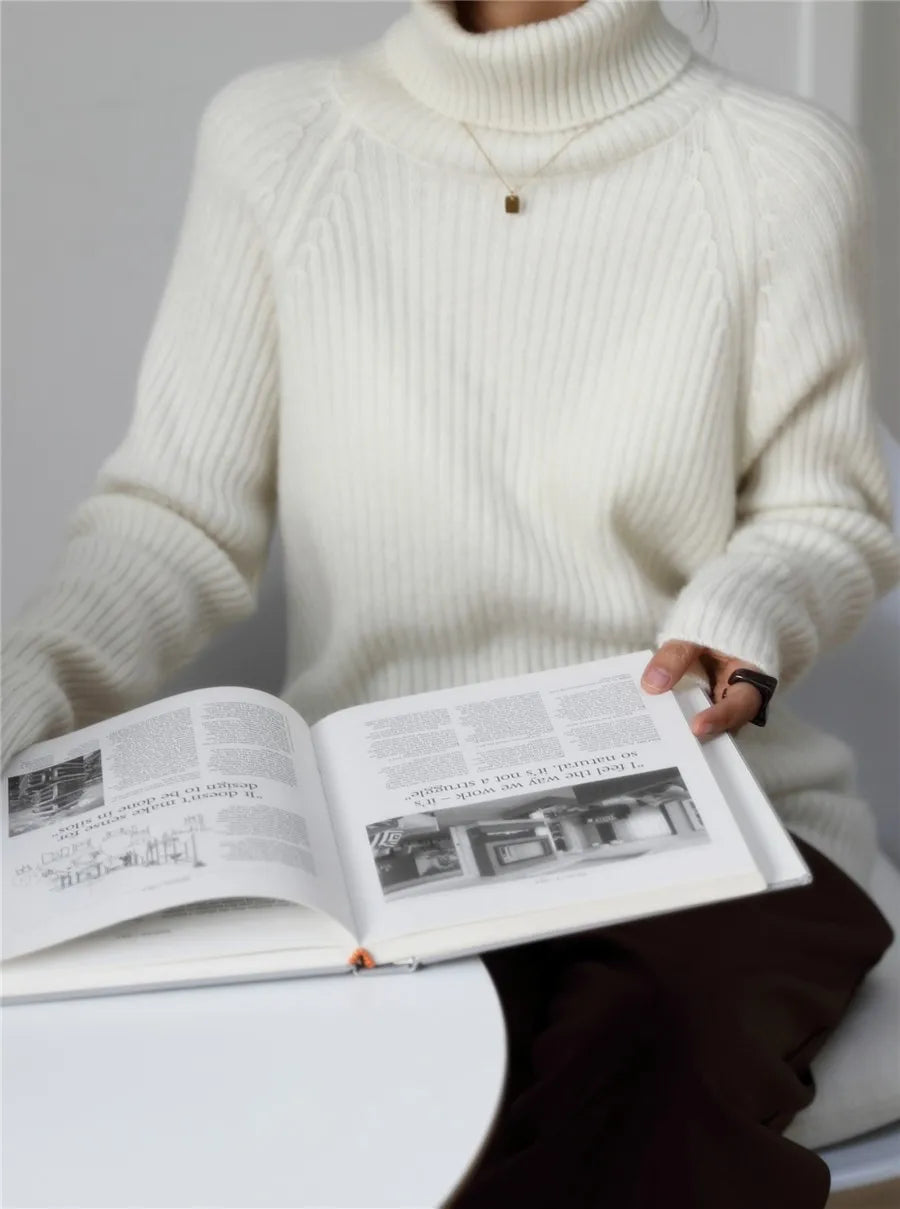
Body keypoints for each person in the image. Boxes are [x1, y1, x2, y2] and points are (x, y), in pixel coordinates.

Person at [2, 1, 898, 1204]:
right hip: (370, 841)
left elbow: (826, 511)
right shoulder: (278, 138)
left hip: (710, 808)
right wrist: (29, 677)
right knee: (315, 1114)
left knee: (631, 1094)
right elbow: (176, 516)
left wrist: (742, 615)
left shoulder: (778, 164)